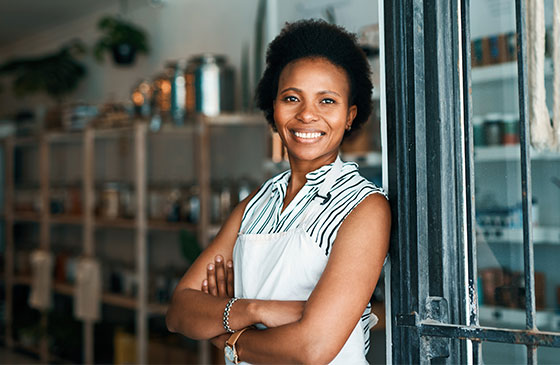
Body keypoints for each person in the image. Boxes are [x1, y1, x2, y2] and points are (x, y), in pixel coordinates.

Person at [166, 19, 391, 364]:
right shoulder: (254, 205)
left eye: (327, 101)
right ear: (274, 108)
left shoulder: (364, 208)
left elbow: (312, 348)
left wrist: (228, 336)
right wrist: (257, 310)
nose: (307, 115)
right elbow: (180, 310)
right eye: (291, 98)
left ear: (350, 115)